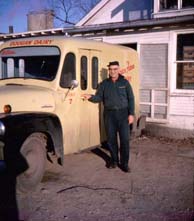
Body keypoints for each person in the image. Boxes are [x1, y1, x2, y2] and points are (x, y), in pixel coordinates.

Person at [82, 61, 134, 173]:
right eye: (111, 69)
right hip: (109, 114)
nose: (113, 71)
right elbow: (99, 97)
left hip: (123, 114)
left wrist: (131, 114)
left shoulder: (125, 83)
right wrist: (90, 97)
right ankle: (114, 161)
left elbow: (131, 99)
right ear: (109, 71)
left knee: (125, 140)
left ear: (118, 69)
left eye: (115, 69)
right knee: (111, 139)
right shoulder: (104, 84)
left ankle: (124, 164)